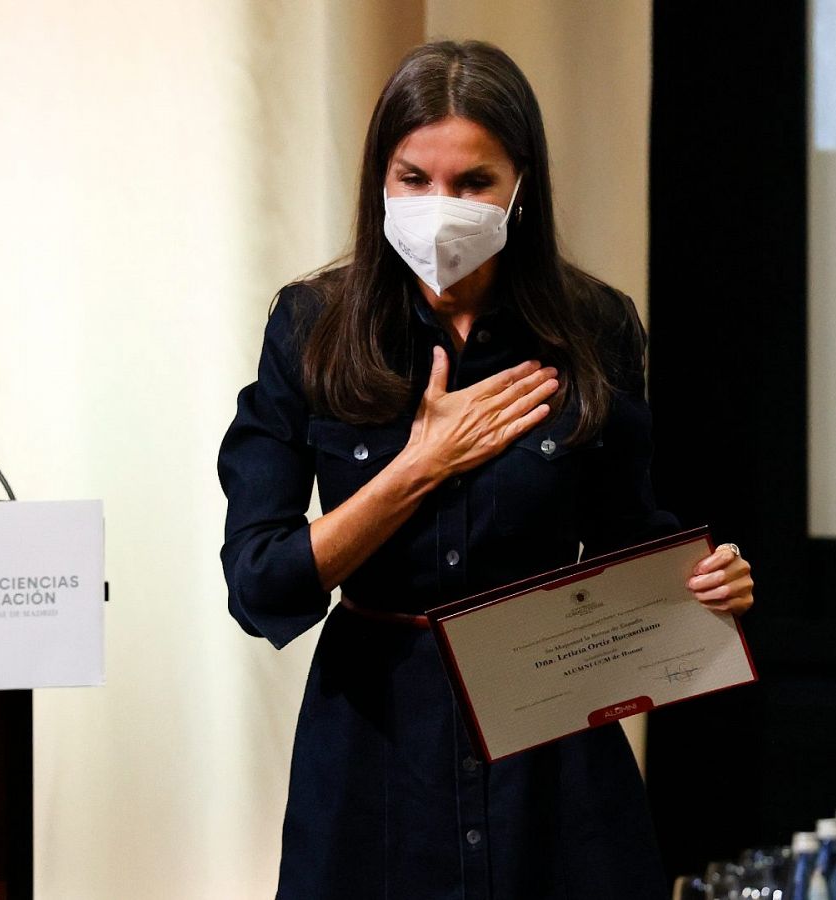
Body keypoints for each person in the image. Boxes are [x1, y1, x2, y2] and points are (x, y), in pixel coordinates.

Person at [218, 40, 754, 899]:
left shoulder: (592, 327)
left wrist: (701, 582)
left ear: (520, 186)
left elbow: (629, 538)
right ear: (378, 183)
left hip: (550, 747)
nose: (442, 206)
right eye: (414, 179)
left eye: (473, 183)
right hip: (376, 743)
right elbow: (260, 585)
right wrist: (418, 469)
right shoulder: (312, 328)